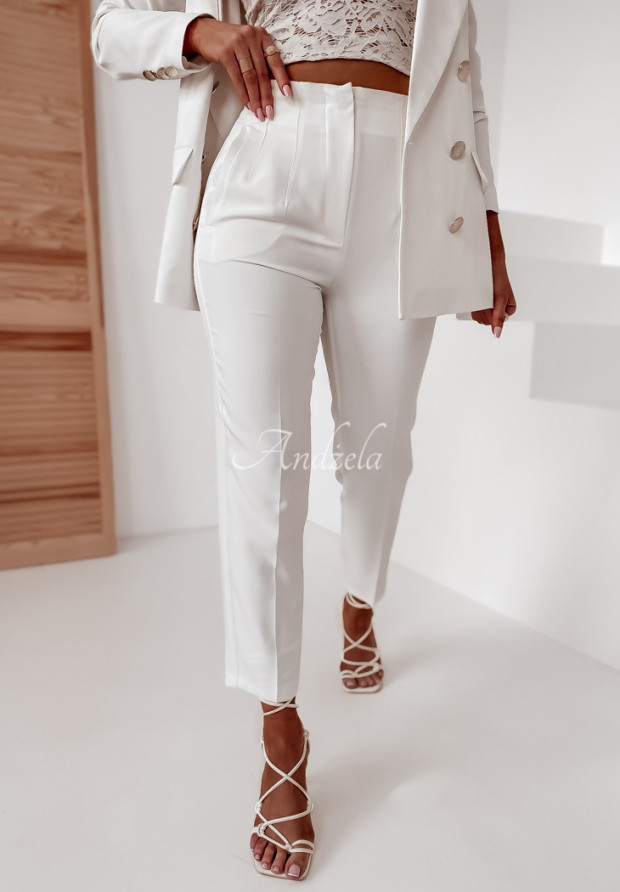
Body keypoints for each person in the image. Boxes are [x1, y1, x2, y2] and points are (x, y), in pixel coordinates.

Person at [91, 0, 517, 881]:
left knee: (380, 449)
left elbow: (463, 90)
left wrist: (487, 226)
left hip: (407, 188)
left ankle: (359, 600)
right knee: (264, 468)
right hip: (265, 166)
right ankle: (279, 722)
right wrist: (202, 32)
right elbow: (109, 26)